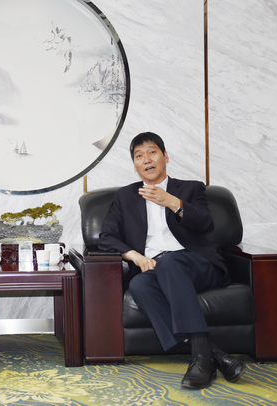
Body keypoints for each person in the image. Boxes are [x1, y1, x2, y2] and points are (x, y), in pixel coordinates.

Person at [98, 132, 245, 389]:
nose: (146, 159)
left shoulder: (190, 188)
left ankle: (201, 360)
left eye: (152, 152)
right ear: (135, 165)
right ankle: (212, 355)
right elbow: (107, 236)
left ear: (165, 156)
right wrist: (135, 256)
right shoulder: (125, 196)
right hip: (155, 267)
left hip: (197, 263)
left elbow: (205, 223)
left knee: (170, 263)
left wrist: (174, 203)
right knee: (140, 284)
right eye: (139, 156)